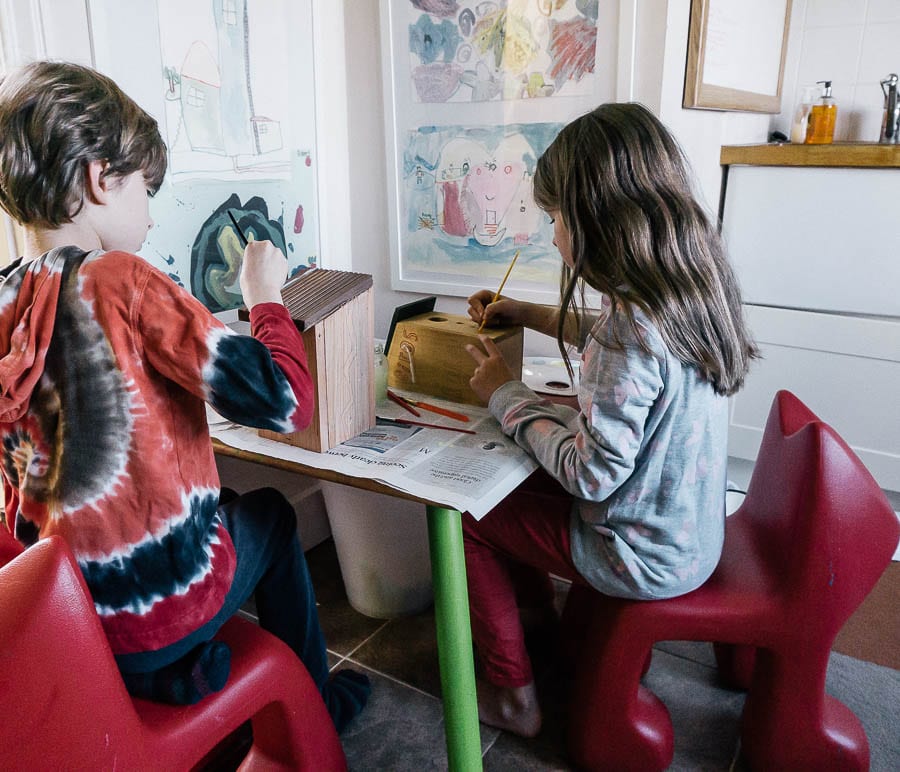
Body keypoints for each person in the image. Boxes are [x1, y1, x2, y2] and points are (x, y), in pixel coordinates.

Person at [0, 60, 368, 729]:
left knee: (200, 514)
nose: (147, 215)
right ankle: (318, 708)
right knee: (272, 519)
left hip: (67, 622)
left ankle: (170, 676)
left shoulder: (4, 299)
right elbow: (286, 401)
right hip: (156, 610)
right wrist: (264, 295)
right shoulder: (122, 280)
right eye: (147, 190)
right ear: (98, 177)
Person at [462, 103, 758, 738]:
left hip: (638, 555)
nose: (553, 237)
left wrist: (505, 393)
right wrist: (528, 313)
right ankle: (539, 621)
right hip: (690, 532)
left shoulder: (632, 327)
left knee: (471, 516)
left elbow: (592, 474)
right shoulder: (692, 290)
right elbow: (614, 343)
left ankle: (511, 694)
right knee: (516, 483)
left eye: (555, 219)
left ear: (598, 220)